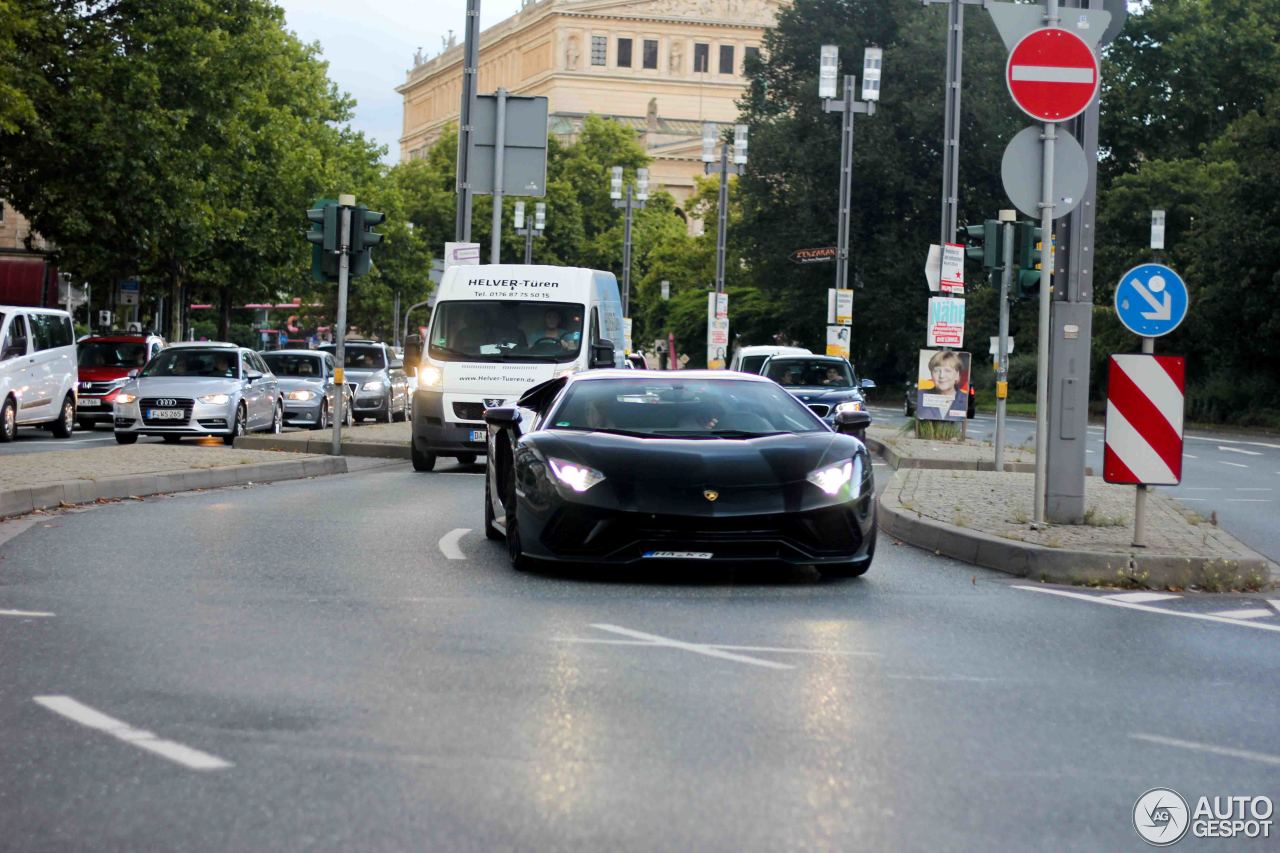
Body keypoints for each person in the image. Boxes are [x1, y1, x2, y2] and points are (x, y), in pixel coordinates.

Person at [915, 350, 968, 420]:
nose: (942, 376)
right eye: (937, 370)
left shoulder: (965, 400)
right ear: (931, 374)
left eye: (948, 371)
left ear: (957, 375)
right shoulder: (921, 396)